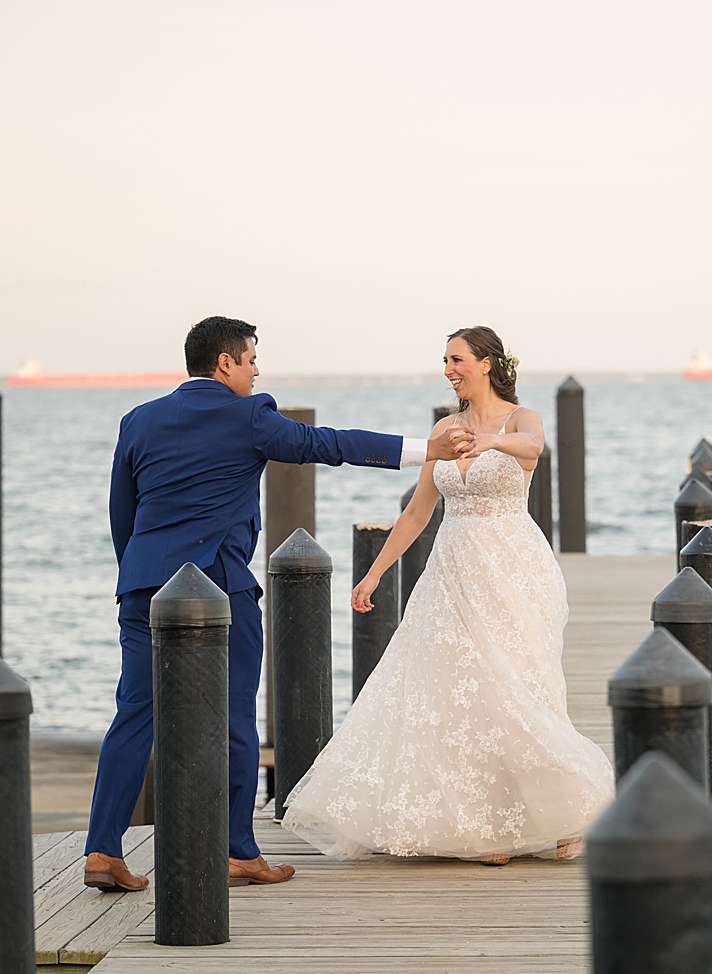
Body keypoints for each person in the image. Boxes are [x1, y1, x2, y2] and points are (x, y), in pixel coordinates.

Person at [83, 316, 474, 891]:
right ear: (225, 363)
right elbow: (328, 444)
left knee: (135, 713)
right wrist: (427, 448)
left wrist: (140, 576)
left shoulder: (138, 421)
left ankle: (101, 851)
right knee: (237, 714)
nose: (256, 368)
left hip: (144, 586)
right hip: (221, 586)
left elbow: (124, 514)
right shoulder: (250, 417)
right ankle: (239, 850)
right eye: (250, 358)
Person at [281, 326, 615, 864]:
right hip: (452, 568)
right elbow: (418, 512)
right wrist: (374, 574)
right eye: (444, 360)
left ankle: (567, 815)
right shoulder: (444, 428)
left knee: (522, 684)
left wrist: (492, 441)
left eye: (456, 359)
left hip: (511, 566)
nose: (448, 369)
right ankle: (487, 825)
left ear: (486, 363)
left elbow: (532, 448)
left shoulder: (521, 420)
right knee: (459, 688)